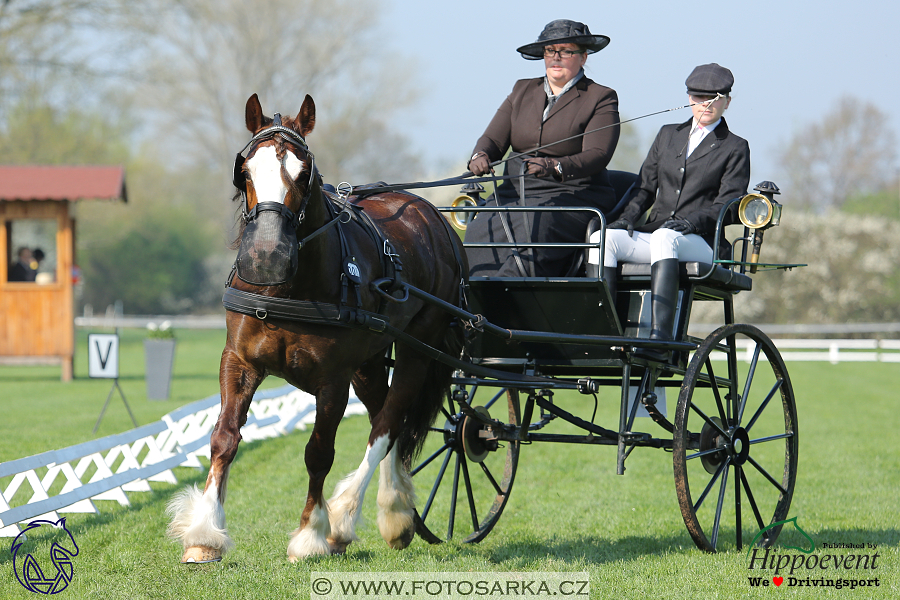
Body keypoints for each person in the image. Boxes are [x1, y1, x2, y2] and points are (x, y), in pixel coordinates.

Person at [588, 63, 750, 357]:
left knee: (665, 237)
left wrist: (692, 222)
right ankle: (604, 335)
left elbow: (729, 204)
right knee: (602, 239)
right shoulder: (666, 136)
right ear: (689, 98)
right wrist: (626, 219)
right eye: (699, 97)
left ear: (726, 101)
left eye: (714, 98)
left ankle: (660, 339)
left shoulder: (735, 147)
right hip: (661, 235)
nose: (706, 105)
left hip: (702, 242)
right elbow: (644, 188)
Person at [465, 19, 620, 277]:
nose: (556, 58)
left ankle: (510, 293)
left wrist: (555, 165)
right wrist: (480, 155)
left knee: (536, 226)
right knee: (480, 226)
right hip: (515, 193)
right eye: (550, 51)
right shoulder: (522, 90)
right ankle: (472, 293)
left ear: (583, 57)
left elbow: (598, 154)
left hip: (573, 195)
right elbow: (493, 139)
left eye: (566, 51)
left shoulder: (601, 96)